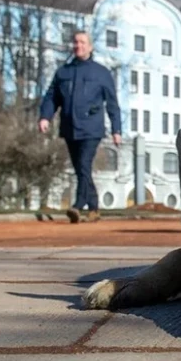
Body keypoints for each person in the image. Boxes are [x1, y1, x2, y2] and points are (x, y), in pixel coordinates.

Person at [39, 30, 122, 223]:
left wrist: (116, 130)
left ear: (90, 47)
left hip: (92, 128)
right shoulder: (63, 72)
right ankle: (94, 208)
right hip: (69, 128)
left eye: (83, 42)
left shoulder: (101, 73)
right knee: (80, 169)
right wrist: (45, 117)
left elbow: (112, 103)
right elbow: (52, 97)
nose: (78, 46)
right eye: (76, 42)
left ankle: (78, 205)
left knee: (84, 165)